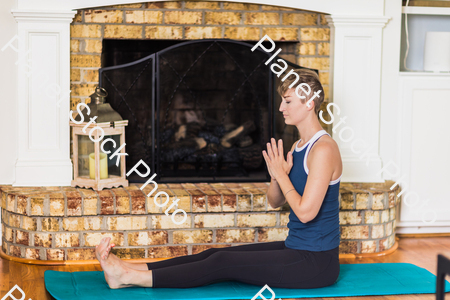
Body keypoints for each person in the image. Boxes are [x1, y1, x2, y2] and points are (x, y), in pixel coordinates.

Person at [95, 68, 343, 289]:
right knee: (214, 253)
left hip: (316, 263)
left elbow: (306, 213)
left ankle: (129, 277)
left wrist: (281, 174)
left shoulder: (323, 149)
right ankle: (132, 269)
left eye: (287, 101)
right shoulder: (299, 146)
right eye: (281, 101)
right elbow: (274, 201)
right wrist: (277, 177)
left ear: (309, 102)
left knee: (223, 263)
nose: (281, 107)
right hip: (296, 249)